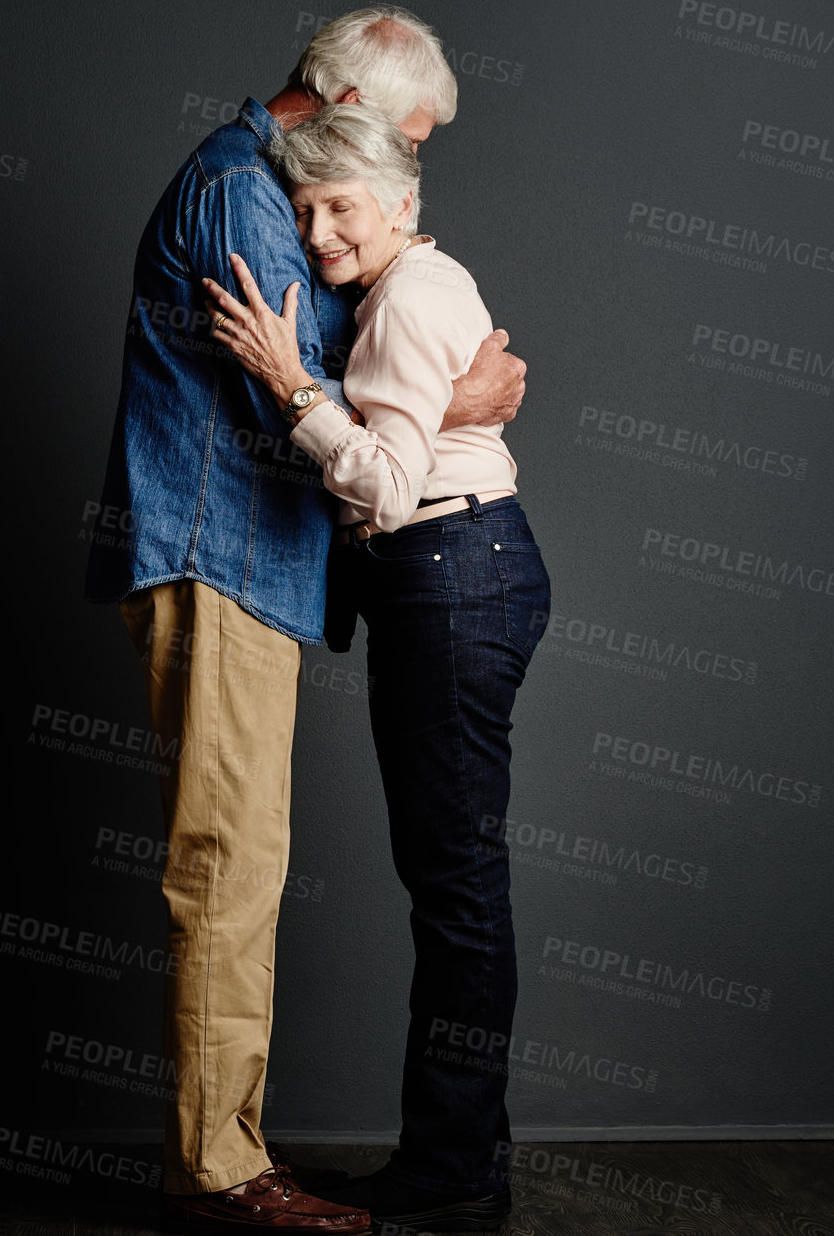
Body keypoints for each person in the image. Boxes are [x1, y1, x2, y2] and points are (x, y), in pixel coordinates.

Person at [83, 6, 527, 1236]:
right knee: (228, 867)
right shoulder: (241, 193)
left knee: (243, 864)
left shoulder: (267, 188)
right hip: (216, 561)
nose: (396, 181)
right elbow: (314, 384)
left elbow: (358, 387)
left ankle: (221, 1155)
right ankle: (222, 1176)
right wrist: (459, 393)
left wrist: (420, 392)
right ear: (348, 111)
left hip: (248, 566)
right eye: (406, 139)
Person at [202, 101, 551, 1233]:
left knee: (455, 889)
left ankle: (453, 1172)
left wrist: (290, 386)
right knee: (453, 883)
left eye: (340, 206)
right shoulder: (404, 288)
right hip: (456, 572)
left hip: (453, 570)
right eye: (302, 211)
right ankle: (460, 1156)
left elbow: (387, 485)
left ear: (403, 203)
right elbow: (409, 439)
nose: (316, 234)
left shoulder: (407, 296)